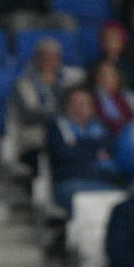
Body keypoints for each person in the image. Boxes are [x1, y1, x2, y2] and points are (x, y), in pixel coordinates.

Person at [9, 38, 85, 175]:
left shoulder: (68, 79)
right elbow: (29, 114)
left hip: (66, 138)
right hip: (36, 141)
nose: (50, 61)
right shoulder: (24, 82)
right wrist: (62, 113)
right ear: (37, 58)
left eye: (55, 57)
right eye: (45, 57)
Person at [46, 86, 121, 214]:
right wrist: (94, 151)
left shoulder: (102, 127)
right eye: (75, 103)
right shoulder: (58, 127)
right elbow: (63, 154)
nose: (80, 107)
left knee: (121, 201)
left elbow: (111, 148)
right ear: (68, 106)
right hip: (70, 183)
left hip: (103, 182)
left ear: (92, 107)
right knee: (87, 205)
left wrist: (78, 146)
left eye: (84, 103)